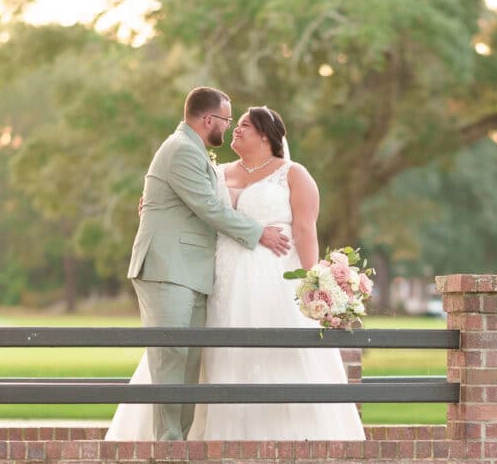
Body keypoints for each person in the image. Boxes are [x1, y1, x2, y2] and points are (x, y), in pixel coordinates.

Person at [107, 104, 364, 442]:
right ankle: (185, 435)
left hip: (273, 279)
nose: (235, 130)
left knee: (274, 353)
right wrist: (153, 205)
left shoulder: (293, 173)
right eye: (234, 123)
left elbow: (305, 229)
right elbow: (190, 205)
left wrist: (313, 281)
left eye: (243, 125)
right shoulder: (216, 172)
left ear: (266, 135)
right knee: (203, 351)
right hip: (219, 276)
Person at [115, 87, 292, 441]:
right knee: (171, 355)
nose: (227, 129)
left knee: (190, 360)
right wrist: (258, 233)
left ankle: (179, 440)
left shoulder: (195, 153)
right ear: (208, 119)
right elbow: (210, 208)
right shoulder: (181, 151)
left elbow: (198, 201)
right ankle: (168, 445)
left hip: (192, 271)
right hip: (168, 268)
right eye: (227, 121)